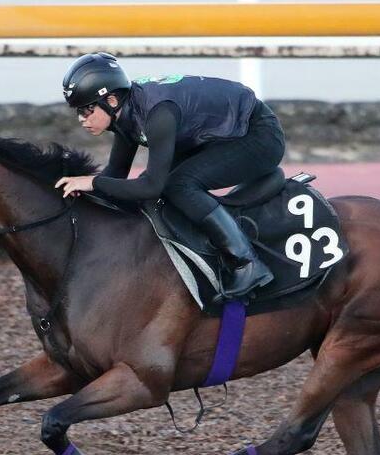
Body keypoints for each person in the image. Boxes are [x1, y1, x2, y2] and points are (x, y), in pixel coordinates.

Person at [56, 52, 284, 300]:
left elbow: (151, 186)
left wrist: (92, 182)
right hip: (220, 135)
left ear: (110, 100)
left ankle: (247, 264)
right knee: (157, 184)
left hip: (259, 136)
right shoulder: (125, 110)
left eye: (87, 110)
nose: (81, 119)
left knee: (178, 185)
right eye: (78, 111)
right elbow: (116, 174)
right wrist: (84, 194)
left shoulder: (158, 114)